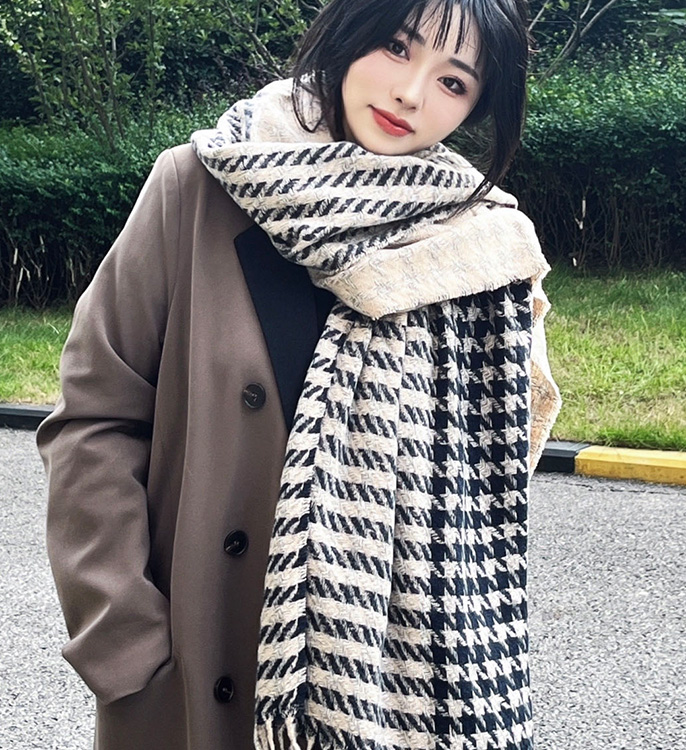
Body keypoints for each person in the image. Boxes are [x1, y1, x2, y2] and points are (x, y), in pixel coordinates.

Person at [37, 0, 561, 748]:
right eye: (397, 46)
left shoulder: (478, 250)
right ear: (349, 33)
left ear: (477, 106)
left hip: (395, 691)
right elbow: (97, 415)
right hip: (193, 668)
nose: (411, 92)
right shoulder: (199, 186)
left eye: (454, 82)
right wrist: (124, 639)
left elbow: (484, 491)